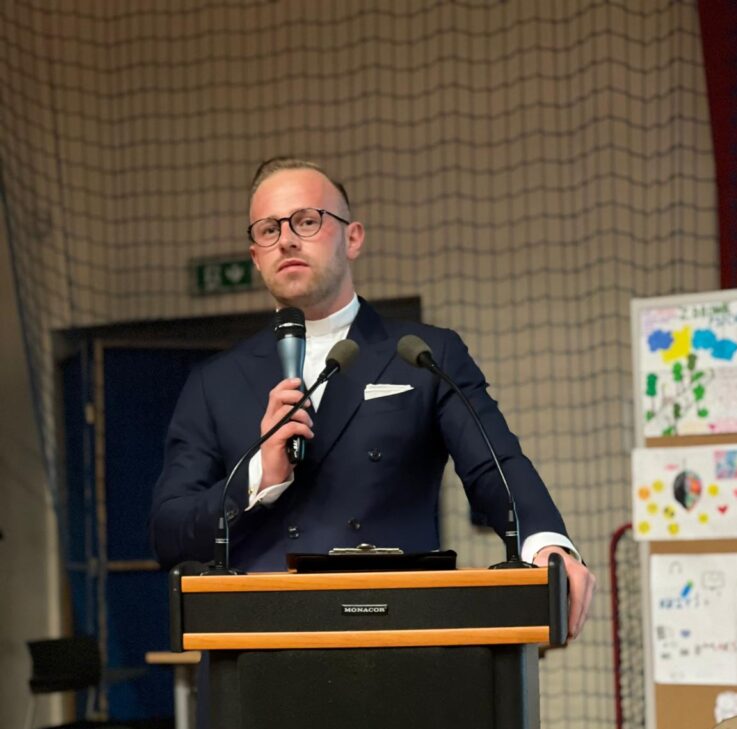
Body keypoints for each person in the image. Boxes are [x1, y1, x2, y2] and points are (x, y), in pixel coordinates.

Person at [151, 157, 595, 638]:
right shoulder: (214, 381)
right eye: (269, 229)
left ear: (353, 237)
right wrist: (258, 477)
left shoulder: (423, 355)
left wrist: (547, 544)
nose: (287, 239)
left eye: (306, 221)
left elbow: (496, 467)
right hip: (257, 643)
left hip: (394, 636)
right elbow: (170, 534)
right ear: (256, 256)